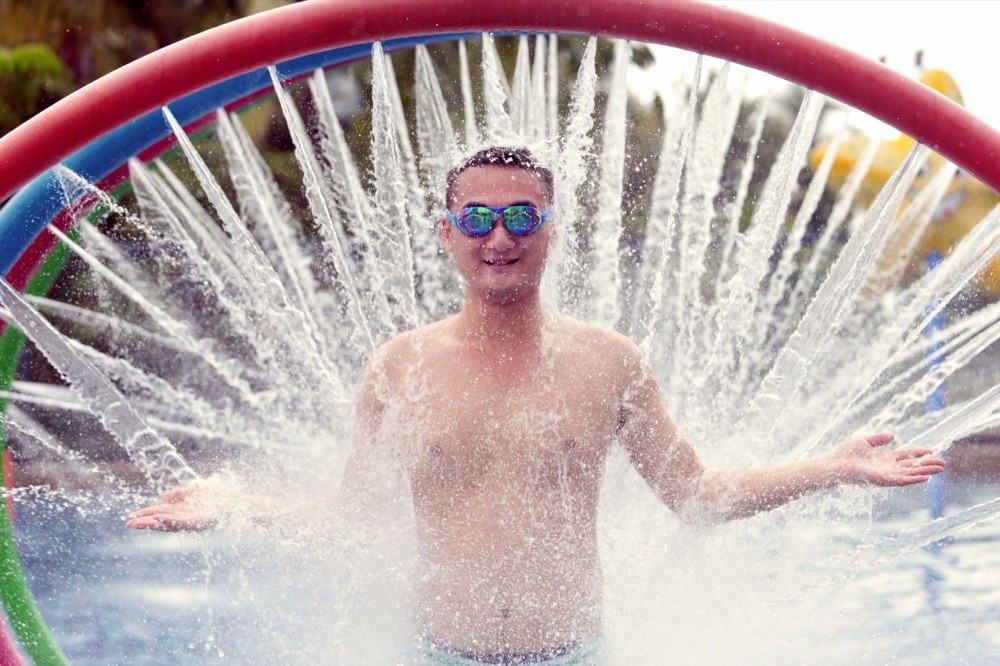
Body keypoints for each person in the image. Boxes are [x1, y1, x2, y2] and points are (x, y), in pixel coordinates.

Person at [128, 146, 945, 665]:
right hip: (438, 656)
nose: (500, 237)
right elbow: (351, 519)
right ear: (448, 233)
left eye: (521, 216)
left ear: (551, 231)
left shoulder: (608, 362)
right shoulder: (399, 368)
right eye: (478, 218)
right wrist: (235, 506)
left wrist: (834, 467)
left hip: (576, 656)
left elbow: (697, 495)